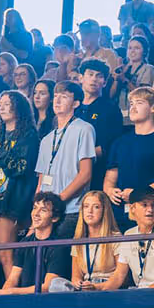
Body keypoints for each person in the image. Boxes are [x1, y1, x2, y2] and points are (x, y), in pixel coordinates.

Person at [0, 91, 40, 294]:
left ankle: (12, 299)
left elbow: (19, 168)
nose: (1, 107)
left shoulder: (28, 135)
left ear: (18, 107)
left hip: (11, 203)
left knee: (6, 254)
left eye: (7, 104)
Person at [104, 87, 154, 227]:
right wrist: (109, 190)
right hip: (121, 216)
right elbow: (110, 177)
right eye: (131, 104)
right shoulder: (120, 141)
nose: (133, 108)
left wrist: (138, 194)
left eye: (139, 103)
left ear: (153, 107)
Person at [36, 81, 96, 237]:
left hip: (71, 209)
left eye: (64, 97)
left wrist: (58, 200)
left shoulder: (84, 129)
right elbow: (41, 180)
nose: (57, 100)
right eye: (55, 96)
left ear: (76, 103)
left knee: (61, 256)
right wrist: (36, 207)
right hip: (46, 211)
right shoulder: (46, 139)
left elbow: (85, 174)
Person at [0, 192, 70, 295]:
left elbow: (47, 287)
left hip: (48, 304)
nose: (36, 214)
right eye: (34, 208)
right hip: (25, 302)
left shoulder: (60, 246)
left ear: (55, 218)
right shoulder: (25, 242)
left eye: (43, 210)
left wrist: (12, 291)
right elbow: (12, 279)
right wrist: (4, 292)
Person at [112, 187, 154, 289]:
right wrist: (97, 288)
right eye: (144, 205)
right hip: (140, 293)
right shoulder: (128, 235)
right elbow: (118, 276)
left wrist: (145, 294)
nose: (150, 209)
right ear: (133, 208)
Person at [74, 59, 123, 189]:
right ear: (81, 78)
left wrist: (78, 157)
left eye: (99, 76)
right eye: (90, 74)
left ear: (105, 82)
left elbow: (110, 145)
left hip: (97, 172)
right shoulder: (72, 107)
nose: (94, 79)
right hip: (68, 170)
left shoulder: (110, 109)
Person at [70, 190, 122, 290]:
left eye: (96, 207)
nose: (90, 211)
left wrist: (96, 287)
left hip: (108, 288)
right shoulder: (78, 239)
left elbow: (122, 277)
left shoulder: (115, 238)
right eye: (86, 206)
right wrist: (78, 283)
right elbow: (75, 275)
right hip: (85, 287)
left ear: (104, 210)